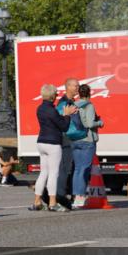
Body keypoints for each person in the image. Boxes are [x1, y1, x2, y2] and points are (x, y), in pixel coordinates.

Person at [31, 83, 77, 212]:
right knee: (53, 174)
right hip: (53, 144)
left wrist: (62, 115)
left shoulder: (40, 108)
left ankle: (37, 201)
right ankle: (52, 203)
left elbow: (54, 121)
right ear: (53, 96)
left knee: (43, 173)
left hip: (41, 142)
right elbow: (64, 126)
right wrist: (67, 114)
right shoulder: (52, 110)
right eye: (56, 94)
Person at [70, 83, 104, 209]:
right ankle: (80, 197)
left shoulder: (74, 104)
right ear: (89, 93)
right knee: (84, 169)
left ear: (79, 93)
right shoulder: (89, 105)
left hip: (75, 139)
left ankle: (76, 197)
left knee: (78, 169)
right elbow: (90, 123)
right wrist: (100, 122)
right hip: (87, 140)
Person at [55, 77, 80, 206]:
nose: (77, 88)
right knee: (64, 168)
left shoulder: (71, 101)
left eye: (78, 85)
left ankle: (69, 195)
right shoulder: (63, 103)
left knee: (71, 168)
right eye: (75, 86)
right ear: (68, 87)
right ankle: (60, 196)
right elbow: (60, 122)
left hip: (71, 139)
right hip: (66, 140)